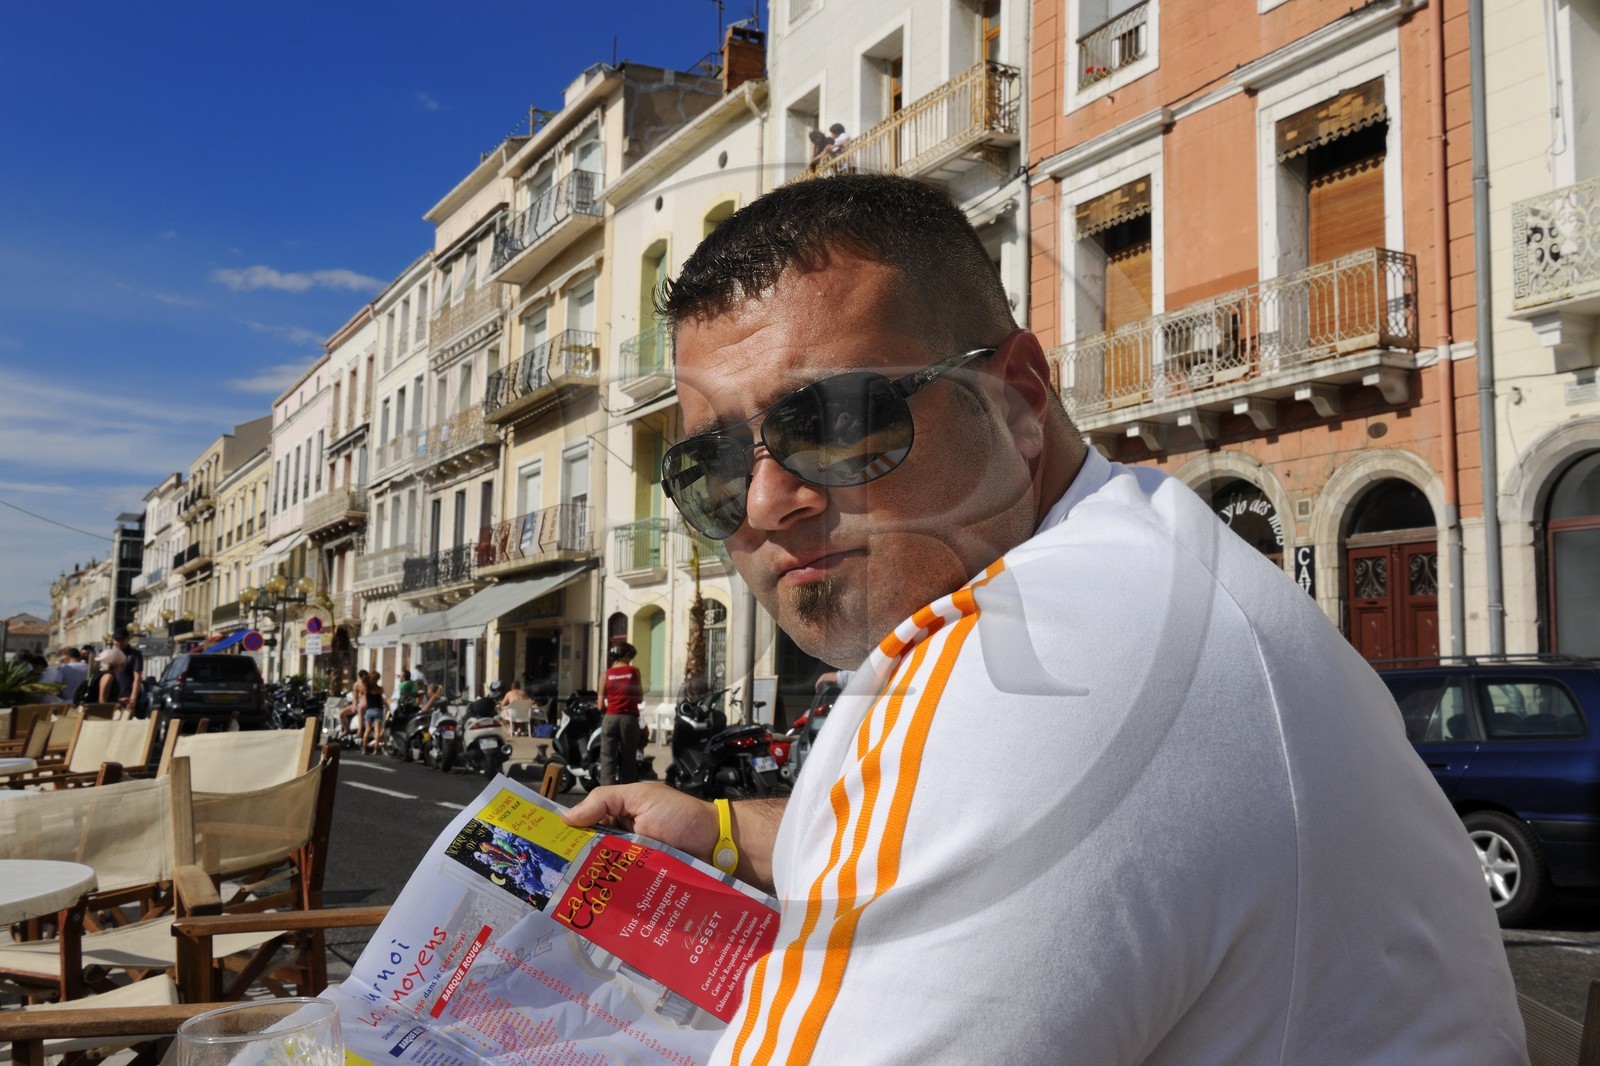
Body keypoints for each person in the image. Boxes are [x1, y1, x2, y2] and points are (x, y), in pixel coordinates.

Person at [565, 174, 1526, 1062]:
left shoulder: (1037, 666)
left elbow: (1003, 781)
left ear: (1019, 398)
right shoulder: (1145, 559)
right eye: (714, 467)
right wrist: (727, 832)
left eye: (838, 420)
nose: (769, 502)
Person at [598, 643, 642, 786]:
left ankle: (606, 791)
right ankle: (628, 793)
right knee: (629, 758)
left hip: (610, 718)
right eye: (630, 657)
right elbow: (639, 698)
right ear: (626, 655)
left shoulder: (605, 675)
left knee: (607, 757)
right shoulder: (634, 671)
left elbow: (599, 705)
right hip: (629, 719)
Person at [110, 628, 144, 717]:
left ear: (127, 640)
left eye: (122, 640)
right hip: (114, 698)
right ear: (113, 641)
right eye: (116, 640)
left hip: (127, 698)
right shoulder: (110, 654)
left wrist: (133, 699)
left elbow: (137, 678)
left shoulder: (134, 655)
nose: (119, 642)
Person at [361, 675, 387, 754]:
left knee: (367, 730)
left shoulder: (367, 689)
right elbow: (382, 700)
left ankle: (364, 749)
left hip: (369, 710)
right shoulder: (380, 689)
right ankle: (376, 750)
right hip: (378, 710)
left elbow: (364, 696)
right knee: (377, 731)